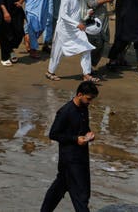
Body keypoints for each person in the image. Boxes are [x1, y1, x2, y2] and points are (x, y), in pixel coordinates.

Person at [41, 81, 99, 212]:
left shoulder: (84, 107)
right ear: (79, 94)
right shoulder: (65, 111)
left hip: (81, 157)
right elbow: (53, 134)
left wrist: (89, 134)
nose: (90, 102)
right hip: (69, 160)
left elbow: (83, 128)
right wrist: (74, 139)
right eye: (89, 98)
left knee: (59, 189)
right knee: (81, 194)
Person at [47, 0, 97, 82]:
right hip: (63, 30)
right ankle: (50, 72)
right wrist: (77, 24)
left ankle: (86, 74)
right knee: (57, 52)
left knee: (86, 48)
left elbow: (80, 13)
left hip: (76, 30)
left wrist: (88, 13)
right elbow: (63, 15)